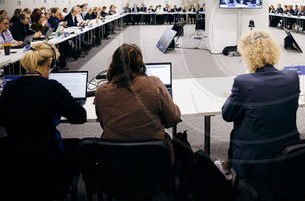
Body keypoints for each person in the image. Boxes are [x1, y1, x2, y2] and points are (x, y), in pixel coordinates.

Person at [0, 42, 86, 200]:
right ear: (50, 62)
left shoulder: (9, 88)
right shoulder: (52, 87)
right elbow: (80, 117)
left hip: (14, 160)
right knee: (79, 145)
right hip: (47, 161)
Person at [222, 31, 300, 182]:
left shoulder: (243, 82)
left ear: (248, 55)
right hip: (289, 150)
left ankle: (226, 168)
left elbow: (227, 115)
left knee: (239, 122)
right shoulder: (292, 77)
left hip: (255, 158)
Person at [95, 44, 181, 143]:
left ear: (113, 64)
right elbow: (173, 119)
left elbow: (103, 123)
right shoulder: (154, 83)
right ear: (140, 63)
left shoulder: (100, 92)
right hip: (152, 154)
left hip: (114, 155)